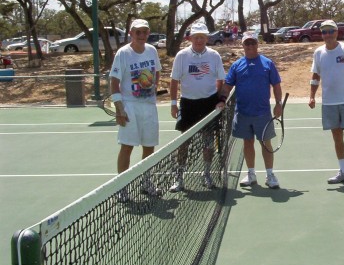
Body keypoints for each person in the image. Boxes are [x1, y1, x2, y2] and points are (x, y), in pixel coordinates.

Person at [217, 32, 283, 189]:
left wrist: (278, 103)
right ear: (243, 45)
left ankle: (270, 174)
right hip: (243, 113)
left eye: (253, 42)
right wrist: (221, 100)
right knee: (248, 142)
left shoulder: (268, 63)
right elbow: (227, 86)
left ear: (257, 44)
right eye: (247, 43)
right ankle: (251, 173)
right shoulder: (236, 65)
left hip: (263, 113)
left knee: (266, 144)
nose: (250, 46)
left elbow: (276, 85)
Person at [308, 19, 344, 190]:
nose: (327, 34)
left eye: (330, 31)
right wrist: (312, 96)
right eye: (324, 32)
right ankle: (343, 172)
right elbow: (315, 76)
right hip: (329, 102)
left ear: (336, 32)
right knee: (336, 137)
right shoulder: (318, 52)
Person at [169, 22, 226, 192]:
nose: (199, 40)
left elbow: (220, 79)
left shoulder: (214, 55)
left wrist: (217, 98)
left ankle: (206, 174)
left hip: (208, 104)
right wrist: (173, 104)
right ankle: (179, 178)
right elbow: (174, 81)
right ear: (190, 38)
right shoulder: (182, 56)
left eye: (202, 37)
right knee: (184, 142)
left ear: (207, 38)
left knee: (207, 142)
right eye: (196, 37)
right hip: (188, 104)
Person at [109, 19, 162, 201]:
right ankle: (122, 187)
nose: (141, 35)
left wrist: (153, 87)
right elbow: (114, 82)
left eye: (144, 32)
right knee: (127, 147)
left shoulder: (152, 51)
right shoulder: (123, 53)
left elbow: (157, 72)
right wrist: (119, 109)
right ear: (131, 33)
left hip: (149, 107)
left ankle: (146, 182)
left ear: (148, 34)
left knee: (149, 147)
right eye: (137, 32)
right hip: (129, 107)